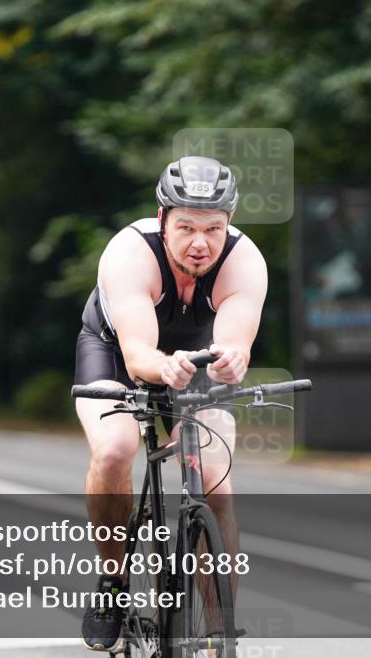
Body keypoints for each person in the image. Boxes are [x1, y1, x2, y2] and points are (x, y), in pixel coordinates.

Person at [73, 156, 267, 651]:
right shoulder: (130, 254)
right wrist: (162, 368)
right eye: (185, 228)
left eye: (213, 229)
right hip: (117, 354)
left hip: (194, 361)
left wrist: (231, 360)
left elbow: (235, 338)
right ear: (162, 222)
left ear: (229, 225)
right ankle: (113, 583)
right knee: (115, 449)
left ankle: (220, 633)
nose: (200, 243)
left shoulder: (245, 261)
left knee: (216, 477)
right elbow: (139, 355)